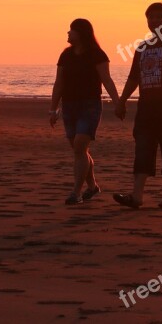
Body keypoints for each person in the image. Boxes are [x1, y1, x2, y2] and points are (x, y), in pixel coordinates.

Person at [113, 2, 162, 209]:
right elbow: (134, 78)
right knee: (142, 151)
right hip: (146, 109)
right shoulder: (142, 47)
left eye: (160, 17)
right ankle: (137, 196)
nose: (155, 21)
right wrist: (122, 101)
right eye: (151, 17)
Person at [50, 19, 121, 205]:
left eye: (71, 30)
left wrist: (118, 103)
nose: (68, 33)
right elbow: (59, 83)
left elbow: (107, 80)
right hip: (69, 106)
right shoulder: (66, 55)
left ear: (81, 33)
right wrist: (53, 108)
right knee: (79, 150)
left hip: (90, 105)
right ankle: (92, 187)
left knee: (80, 147)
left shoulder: (96, 54)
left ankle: (76, 192)